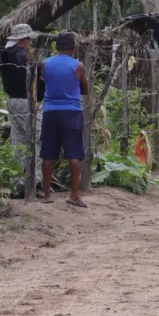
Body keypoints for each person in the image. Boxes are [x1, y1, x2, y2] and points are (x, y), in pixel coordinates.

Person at [0, 24, 45, 199]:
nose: (31, 42)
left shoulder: (3, 55)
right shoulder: (24, 56)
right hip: (27, 101)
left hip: (12, 101)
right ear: (24, 39)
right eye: (29, 39)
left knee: (18, 142)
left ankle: (16, 182)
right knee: (39, 140)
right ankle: (33, 182)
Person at [40, 32, 90, 207]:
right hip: (71, 112)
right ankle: (74, 195)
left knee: (48, 154)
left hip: (50, 111)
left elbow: (42, 83)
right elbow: (85, 88)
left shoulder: (45, 64)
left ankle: (47, 195)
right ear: (73, 47)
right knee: (74, 154)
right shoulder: (78, 66)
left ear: (57, 47)